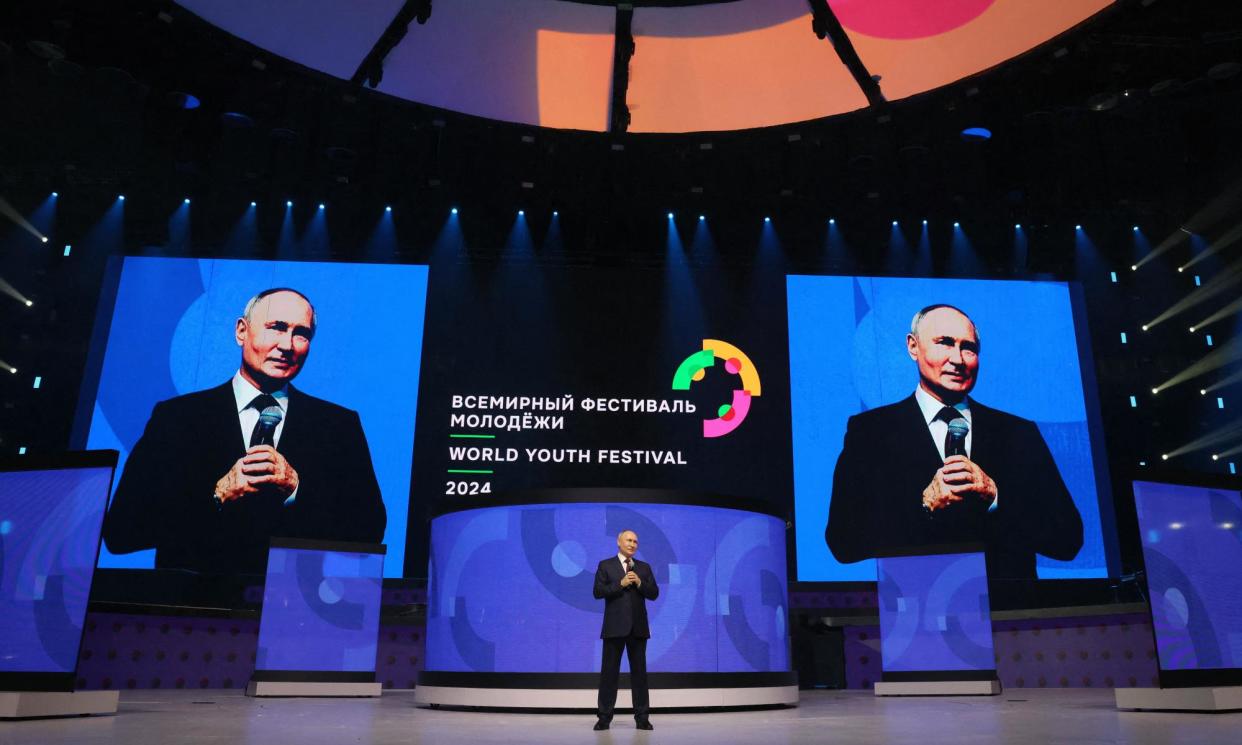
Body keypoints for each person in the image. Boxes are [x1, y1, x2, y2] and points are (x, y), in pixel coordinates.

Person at [102, 288, 386, 574]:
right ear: (241, 331)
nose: (287, 345)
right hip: (194, 609)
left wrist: (297, 490)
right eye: (276, 327)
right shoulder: (177, 418)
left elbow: (370, 531)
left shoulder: (338, 425)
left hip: (293, 609)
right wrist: (217, 495)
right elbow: (121, 532)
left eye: (301, 334)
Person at [825, 304, 1083, 580]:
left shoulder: (1018, 433)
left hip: (1008, 613)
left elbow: (1068, 538)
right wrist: (924, 506)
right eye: (944, 343)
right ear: (913, 346)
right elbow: (843, 542)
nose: (958, 359)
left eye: (969, 348)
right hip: (916, 612)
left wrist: (996, 497)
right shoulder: (870, 432)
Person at [592, 529, 659, 731]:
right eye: (628, 540)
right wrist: (619, 584)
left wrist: (639, 583)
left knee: (640, 675)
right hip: (614, 628)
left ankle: (642, 718)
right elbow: (597, 592)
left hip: (638, 629)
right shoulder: (606, 565)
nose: (632, 544)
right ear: (619, 542)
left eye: (636, 541)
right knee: (609, 675)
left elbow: (654, 593)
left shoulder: (644, 568)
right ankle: (604, 717)